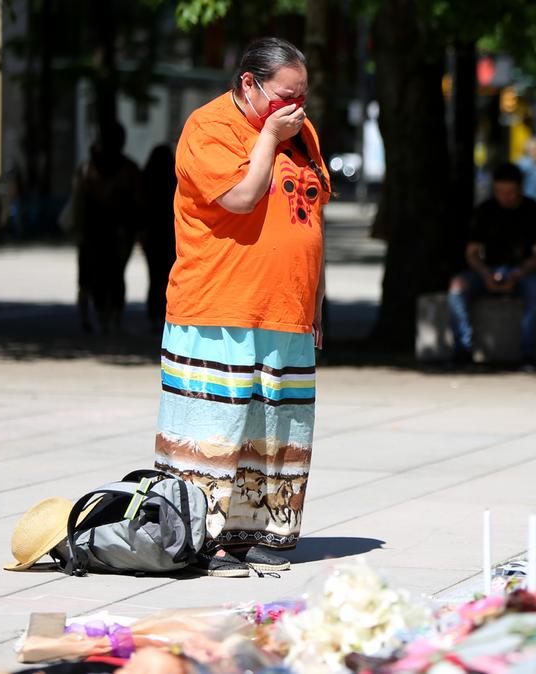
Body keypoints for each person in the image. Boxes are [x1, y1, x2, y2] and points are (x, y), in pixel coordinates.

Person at [155, 37, 330, 577]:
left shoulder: (301, 132)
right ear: (248, 83)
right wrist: (271, 138)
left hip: (287, 310)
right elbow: (240, 197)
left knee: (278, 428)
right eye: (283, 96)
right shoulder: (209, 127)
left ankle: (264, 536)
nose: (293, 107)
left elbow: (312, 215)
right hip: (219, 307)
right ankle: (201, 541)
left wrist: (317, 302)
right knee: (217, 429)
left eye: (301, 96)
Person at [448, 162, 536, 371]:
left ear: (520, 188)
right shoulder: (486, 210)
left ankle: (527, 354)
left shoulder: (533, 210)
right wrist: (485, 273)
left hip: (523, 271)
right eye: (500, 192)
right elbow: (472, 252)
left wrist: (519, 273)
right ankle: (463, 349)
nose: (505, 197)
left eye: (510, 192)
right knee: (457, 286)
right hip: (489, 270)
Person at [72, 122, 139, 333]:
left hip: (94, 231)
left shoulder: (87, 167)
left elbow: (78, 202)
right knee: (113, 276)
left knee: (93, 276)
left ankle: (96, 317)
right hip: (112, 232)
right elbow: (137, 202)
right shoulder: (126, 168)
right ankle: (110, 319)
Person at [139, 145, 177, 332]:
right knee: (167, 276)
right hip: (170, 236)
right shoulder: (174, 182)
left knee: (154, 276)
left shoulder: (146, 182)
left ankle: (153, 315)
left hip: (152, 236)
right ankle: (163, 314)